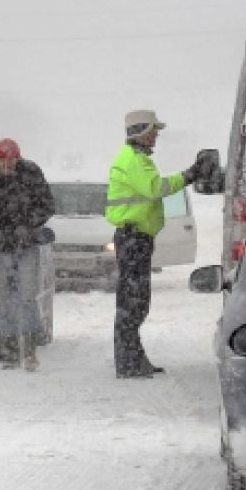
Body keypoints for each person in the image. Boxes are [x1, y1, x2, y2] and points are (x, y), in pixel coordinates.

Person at [106, 110, 207, 379]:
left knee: (135, 301)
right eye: (153, 130)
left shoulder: (135, 159)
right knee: (133, 302)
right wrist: (189, 175)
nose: (156, 136)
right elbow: (155, 188)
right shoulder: (135, 161)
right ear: (140, 132)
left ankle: (134, 359)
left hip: (135, 237)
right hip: (133, 237)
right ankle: (128, 363)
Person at [0, 138, 54, 371]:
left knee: (27, 297)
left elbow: (47, 205)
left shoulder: (31, 174)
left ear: (18, 158)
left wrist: (29, 224)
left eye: (12, 161)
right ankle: (10, 349)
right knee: (3, 300)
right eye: (3, 161)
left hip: (25, 246)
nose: (7, 167)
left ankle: (30, 348)